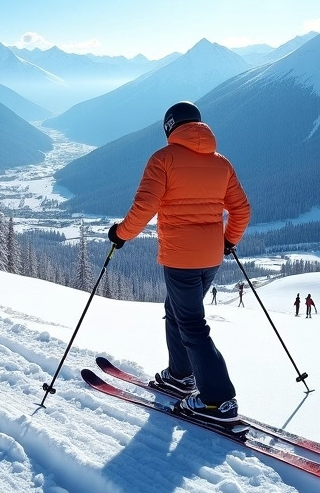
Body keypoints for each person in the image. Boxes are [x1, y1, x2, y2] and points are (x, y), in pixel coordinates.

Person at [108, 101, 251, 425]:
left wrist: (120, 234)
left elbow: (144, 207)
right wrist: (228, 241)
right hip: (210, 257)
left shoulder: (163, 160)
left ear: (170, 127)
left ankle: (218, 399)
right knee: (177, 312)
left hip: (180, 258)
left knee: (191, 324)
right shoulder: (221, 163)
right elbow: (242, 210)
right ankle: (180, 374)